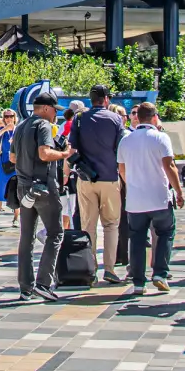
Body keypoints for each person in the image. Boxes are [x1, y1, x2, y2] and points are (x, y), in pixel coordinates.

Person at [11, 91, 73, 301]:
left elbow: (12, 156)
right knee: (55, 233)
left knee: (26, 236)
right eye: (55, 110)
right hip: (44, 188)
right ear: (46, 109)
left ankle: (25, 287)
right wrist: (64, 154)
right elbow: (45, 153)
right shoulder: (43, 125)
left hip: (23, 187)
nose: (56, 114)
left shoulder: (20, 126)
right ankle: (43, 284)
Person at [117, 102, 183, 295]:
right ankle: (160, 273)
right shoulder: (161, 138)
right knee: (165, 233)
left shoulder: (126, 140)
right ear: (155, 117)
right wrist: (178, 191)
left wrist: (132, 183)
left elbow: (121, 169)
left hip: (135, 199)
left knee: (136, 238)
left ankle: (138, 282)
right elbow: (169, 166)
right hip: (159, 197)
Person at [69, 85, 127, 283]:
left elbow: (72, 148)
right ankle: (109, 268)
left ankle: (90, 269)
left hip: (86, 178)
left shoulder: (79, 119)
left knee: (88, 225)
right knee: (111, 224)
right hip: (110, 177)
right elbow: (121, 148)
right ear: (106, 99)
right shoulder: (116, 119)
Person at [0, 107, 18, 229]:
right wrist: (4, 129)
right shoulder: (3, 129)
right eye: (6, 116)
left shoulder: (18, 130)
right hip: (3, 163)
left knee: (17, 190)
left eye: (10, 116)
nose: (8, 119)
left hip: (16, 163)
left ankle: (16, 219)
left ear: (14, 117)